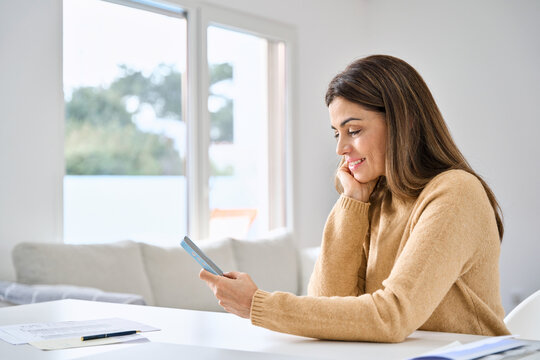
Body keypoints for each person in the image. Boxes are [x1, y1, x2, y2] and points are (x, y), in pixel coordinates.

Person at [199, 55, 510, 342]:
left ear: (406, 121)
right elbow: (327, 303)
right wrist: (352, 202)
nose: (340, 149)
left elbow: (392, 316)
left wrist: (259, 305)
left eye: (354, 130)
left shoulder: (455, 193)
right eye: (337, 133)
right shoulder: (375, 196)